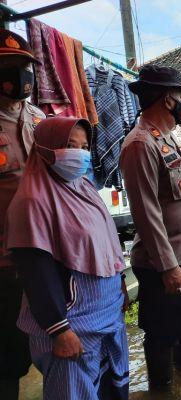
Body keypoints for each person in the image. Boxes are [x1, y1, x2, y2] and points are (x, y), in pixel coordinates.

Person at [6, 117, 129, 399]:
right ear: (45, 149)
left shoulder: (83, 186)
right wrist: (59, 331)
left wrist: (120, 280)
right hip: (74, 327)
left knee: (110, 388)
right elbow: (36, 272)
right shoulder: (32, 202)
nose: (80, 154)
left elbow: (105, 241)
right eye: (70, 145)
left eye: (85, 147)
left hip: (107, 315)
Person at [120, 65, 181, 389]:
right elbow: (146, 214)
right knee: (162, 333)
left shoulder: (169, 139)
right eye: (180, 97)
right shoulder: (140, 144)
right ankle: (163, 391)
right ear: (166, 100)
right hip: (165, 264)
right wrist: (168, 266)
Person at [0, 29, 45, 400]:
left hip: (46, 256)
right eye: (8, 66)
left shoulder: (41, 119)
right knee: (8, 359)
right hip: (5, 264)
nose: (20, 75)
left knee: (55, 342)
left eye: (24, 66)